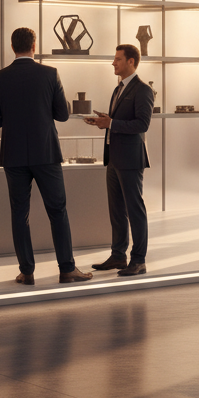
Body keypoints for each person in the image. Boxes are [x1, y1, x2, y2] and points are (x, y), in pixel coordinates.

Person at [0, 27, 92, 285]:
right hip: (46, 153)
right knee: (57, 210)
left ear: (12, 47)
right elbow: (63, 115)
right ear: (34, 46)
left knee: (19, 213)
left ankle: (27, 272)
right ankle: (67, 269)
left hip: (13, 155)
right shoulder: (50, 74)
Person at [85, 44, 155, 276]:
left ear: (131, 62)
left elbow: (142, 124)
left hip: (130, 159)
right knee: (116, 210)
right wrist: (106, 120)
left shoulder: (142, 89)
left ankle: (139, 260)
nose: (113, 63)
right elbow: (121, 120)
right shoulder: (118, 89)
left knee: (135, 209)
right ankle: (118, 256)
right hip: (114, 158)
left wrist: (112, 123)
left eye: (117, 59)